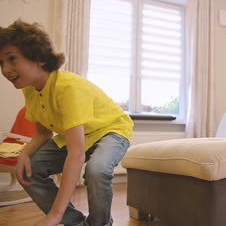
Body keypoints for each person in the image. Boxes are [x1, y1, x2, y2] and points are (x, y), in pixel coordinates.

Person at [0, 19, 133, 226]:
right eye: (1, 63)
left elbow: (76, 154)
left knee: (97, 170)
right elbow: (43, 133)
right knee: (30, 168)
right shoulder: (30, 90)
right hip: (77, 136)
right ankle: (76, 223)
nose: (6, 69)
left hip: (111, 130)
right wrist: (24, 154)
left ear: (39, 58)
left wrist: (54, 214)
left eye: (12, 59)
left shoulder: (68, 88)